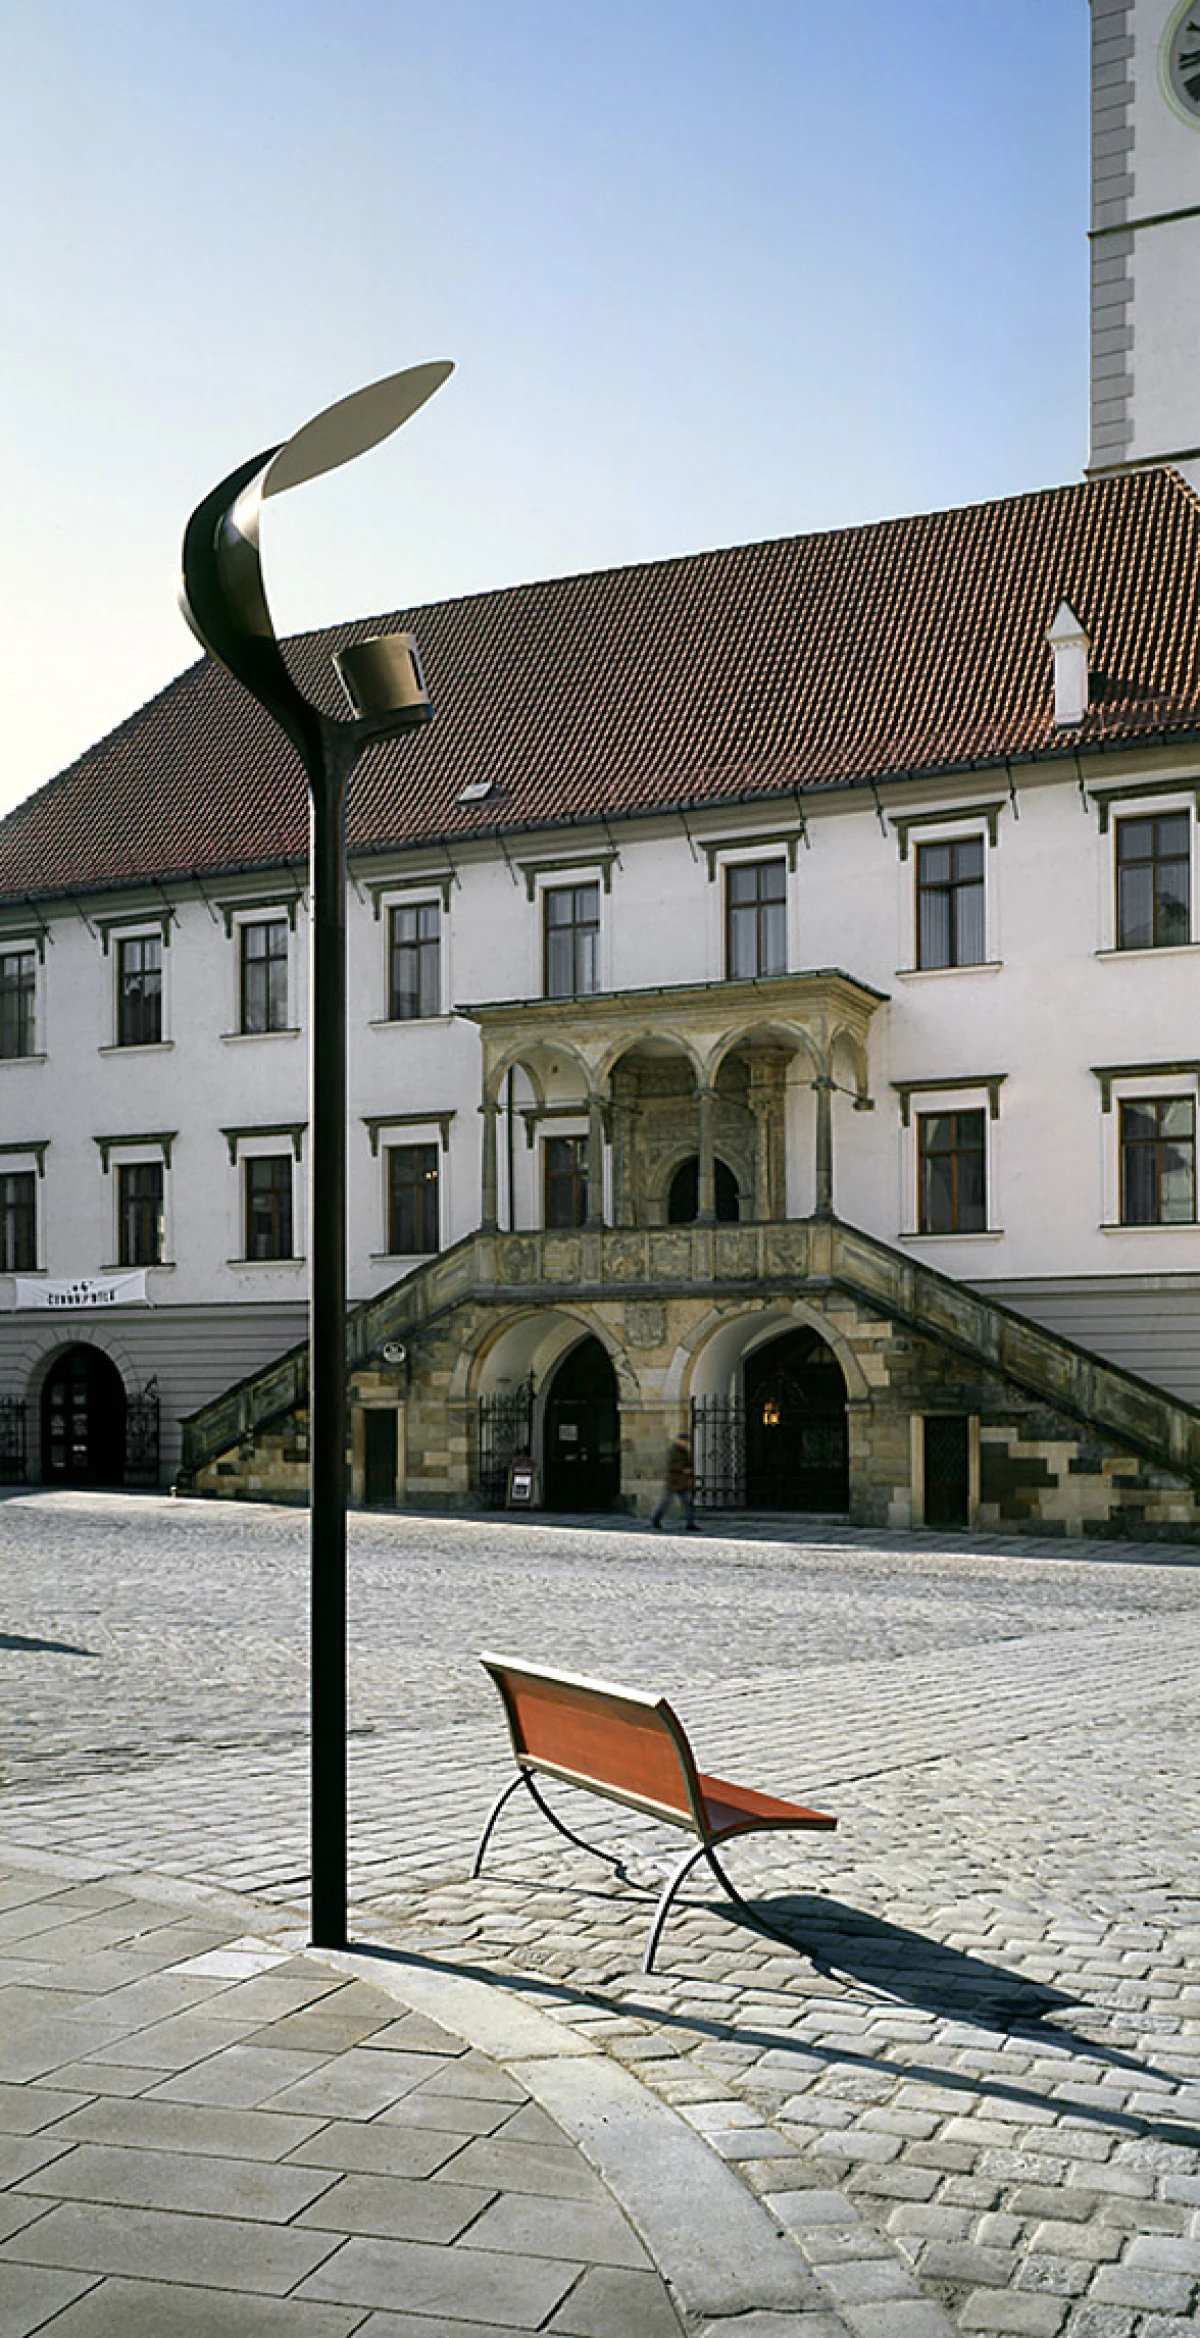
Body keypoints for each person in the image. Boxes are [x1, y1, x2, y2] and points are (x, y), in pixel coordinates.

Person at [652, 1433, 698, 1531]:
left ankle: (690, 1524)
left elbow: (689, 1463)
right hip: (673, 1482)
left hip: (683, 1482)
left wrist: (689, 1473)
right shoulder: (673, 1451)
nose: (685, 1443)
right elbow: (671, 1465)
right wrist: (682, 1469)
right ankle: (655, 1519)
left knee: (688, 1503)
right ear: (679, 1440)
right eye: (684, 1441)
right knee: (665, 1503)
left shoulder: (685, 1452)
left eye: (686, 1441)